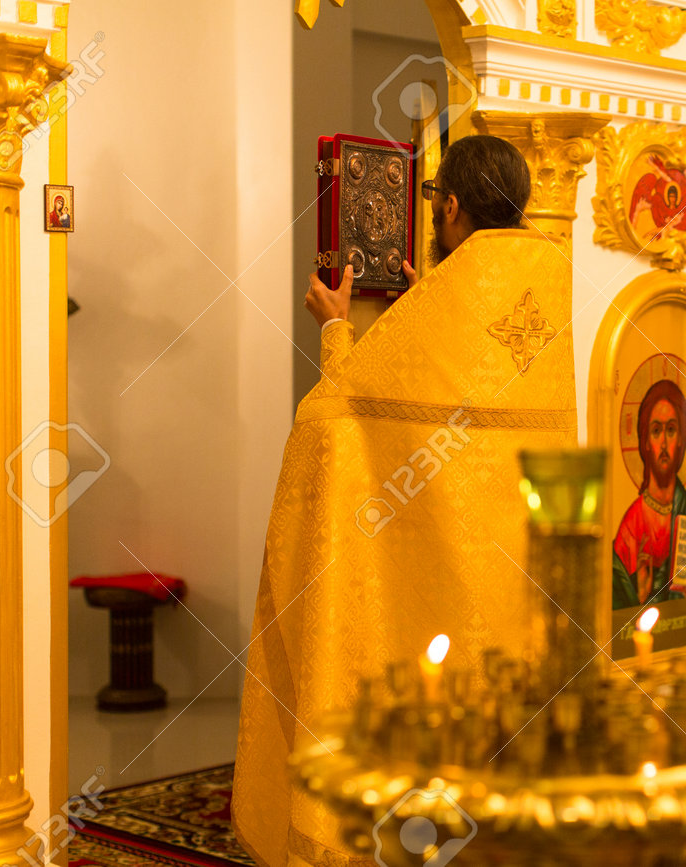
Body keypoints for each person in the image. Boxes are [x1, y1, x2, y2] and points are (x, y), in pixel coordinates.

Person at [233, 135, 579, 867]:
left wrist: (335, 326)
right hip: (519, 584)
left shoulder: (446, 304)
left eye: (436, 205)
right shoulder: (548, 280)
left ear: (450, 205)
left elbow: (332, 422)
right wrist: (431, 299)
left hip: (435, 594)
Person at [612, 378, 686, 608]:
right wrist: (640, 596)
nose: (664, 444)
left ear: (682, 440)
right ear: (645, 440)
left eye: (671, 430)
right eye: (656, 431)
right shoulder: (630, 528)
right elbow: (619, 612)